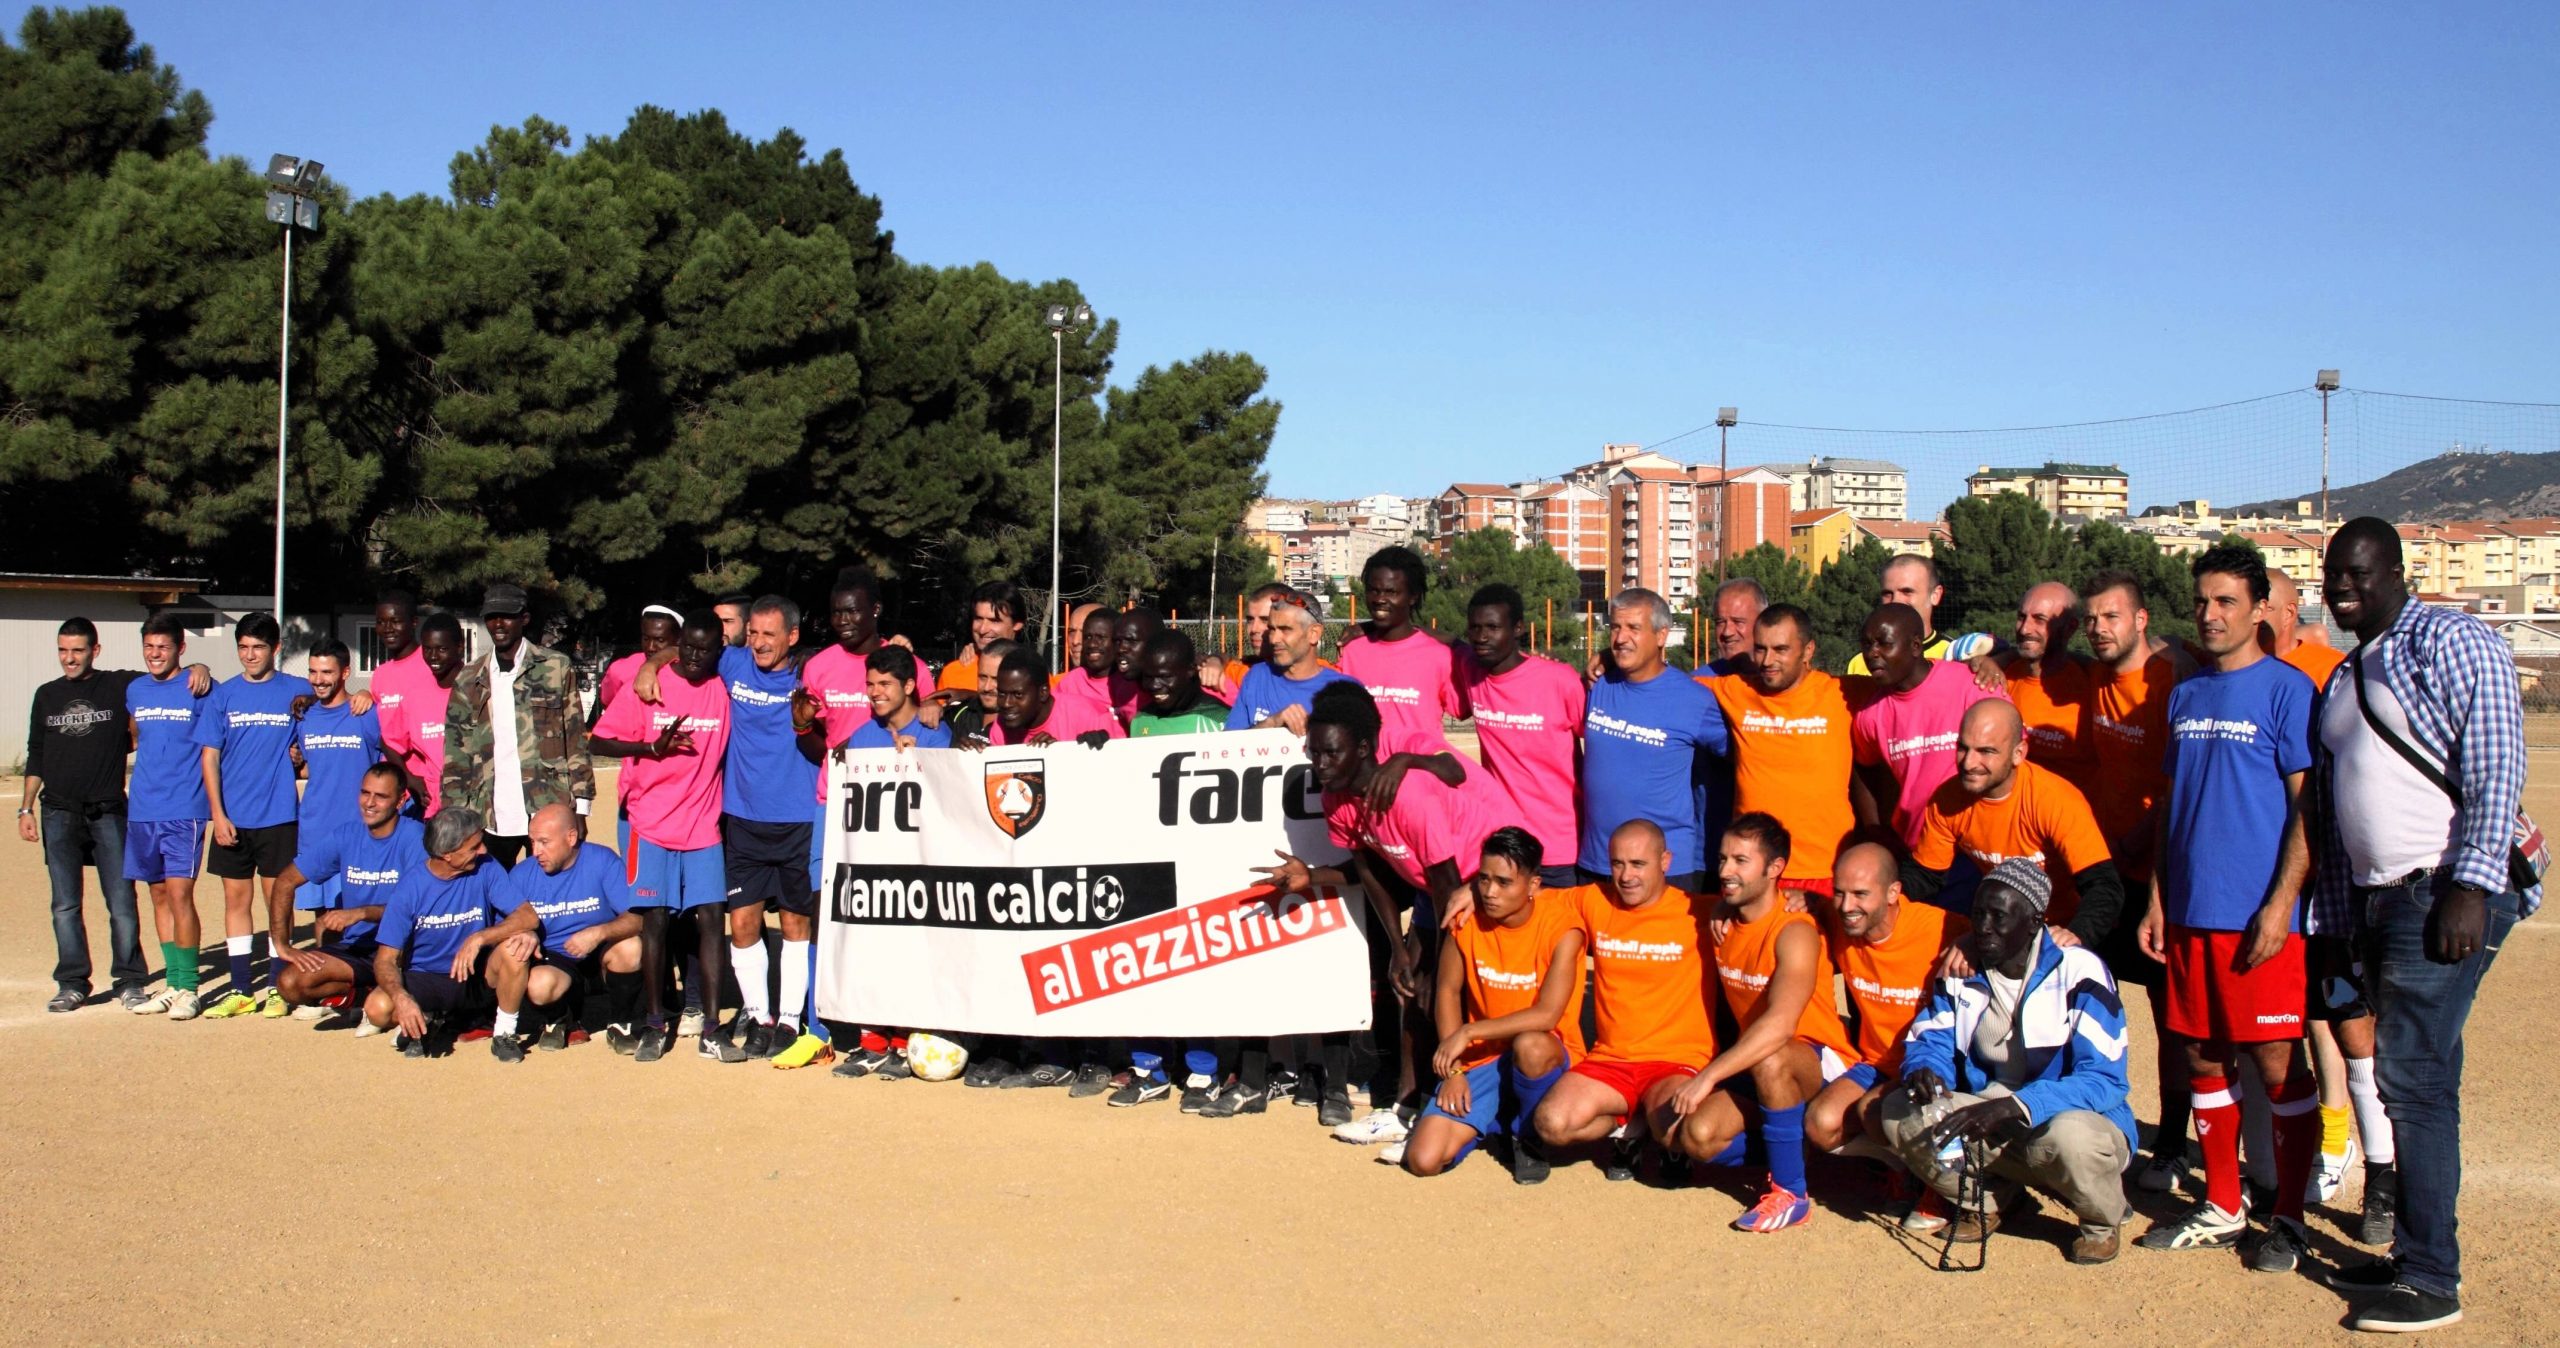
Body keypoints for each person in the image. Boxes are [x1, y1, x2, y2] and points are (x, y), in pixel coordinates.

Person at [2308, 517, 2533, 1333]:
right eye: (2334, 574)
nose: (2343, 587)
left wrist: (2470, 885)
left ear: (2398, 571)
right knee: (2415, 1076)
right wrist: (2332, 922)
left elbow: (2497, 757)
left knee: (2415, 1080)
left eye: (2360, 573)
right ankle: (2415, 1255)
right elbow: (2329, 814)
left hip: (2438, 890)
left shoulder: (2450, 639)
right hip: (2374, 901)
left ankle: (2433, 1278)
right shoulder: (2342, 675)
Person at [2134, 546, 2321, 1273]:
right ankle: (2221, 1203)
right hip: (2189, 914)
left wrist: (2281, 904)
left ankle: (2291, 1216)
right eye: (2203, 602)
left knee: (2276, 1062)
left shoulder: (2286, 691)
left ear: (2256, 611)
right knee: (2202, 1055)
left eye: (2226, 603)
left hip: (2256, 918)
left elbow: (2309, 808)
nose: (2210, 616)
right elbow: (2173, 804)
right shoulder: (2187, 694)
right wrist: (2157, 898)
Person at [1254, 682, 1509, 1135]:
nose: (1319, 764)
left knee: (1445, 992)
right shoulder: (1336, 797)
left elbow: (1448, 890)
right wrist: (1397, 947)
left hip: (1484, 886)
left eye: (1330, 754)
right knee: (1410, 990)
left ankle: (1462, 1107)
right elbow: (1370, 870)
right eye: (1314, 754)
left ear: (1365, 748)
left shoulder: (1410, 796)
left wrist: (1426, 956)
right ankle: (1406, 1110)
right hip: (1439, 890)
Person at [1881, 857, 2136, 1265]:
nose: (1983, 927)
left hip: (2070, 1118)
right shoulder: (1960, 969)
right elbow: (1931, 1038)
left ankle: (2101, 1221)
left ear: (2035, 921)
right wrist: (1926, 1071)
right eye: (1978, 914)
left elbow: (2104, 1081)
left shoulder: (2081, 972)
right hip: (1993, 1111)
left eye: (1998, 917)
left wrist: (2015, 1106)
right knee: (1900, 1111)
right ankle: (1991, 1202)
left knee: (2070, 1139)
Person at [1667, 813, 1858, 1233]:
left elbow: (1781, 1025)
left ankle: (1791, 1193)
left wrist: (1707, 1077)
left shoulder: (1795, 931)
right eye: (1721, 859)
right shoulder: (1721, 918)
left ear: (1775, 869)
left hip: (1818, 1062)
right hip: (1759, 1064)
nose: (1725, 871)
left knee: (1772, 1058)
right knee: (1697, 1136)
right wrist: (1720, 905)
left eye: (1740, 861)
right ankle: (1793, 1144)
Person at [2258, 570, 2381, 1213]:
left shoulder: (2328, 666)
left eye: (2265, 606)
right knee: (2300, 1017)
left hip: (2329, 872)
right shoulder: (2234, 671)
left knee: (2338, 1017)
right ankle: (2315, 1145)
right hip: (2271, 873)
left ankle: (2344, 1147)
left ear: (2287, 611)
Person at [2078, 567, 2189, 1192]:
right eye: (2092, 618)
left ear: (2142, 620)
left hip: (2158, 877)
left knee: (2173, 1016)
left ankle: (2173, 1142)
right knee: (2089, 1002)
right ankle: (2093, 1118)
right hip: (2105, 875)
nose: (2099, 629)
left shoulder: (2173, 681)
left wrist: (2136, 850)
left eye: (2111, 617)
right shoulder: (2093, 677)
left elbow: (2174, 789)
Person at [1529, 821, 1718, 1180]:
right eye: (1617, 863)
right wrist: (1471, 891)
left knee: (1678, 1131)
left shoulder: (1700, 912)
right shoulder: (1594, 900)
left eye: (1638, 864)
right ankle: (1630, 1128)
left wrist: (1802, 900)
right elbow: (1528, 894)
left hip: (1677, 1061)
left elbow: (1761, 911)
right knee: (1552, 1124)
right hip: (1612, 1060)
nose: (1626, 876)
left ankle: (1654, 1127)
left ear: (1665, 861)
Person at [591, 613, 740, 1064]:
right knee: (654, 923)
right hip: (650, 825)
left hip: (702, 826)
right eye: (687, 648)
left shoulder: (723, 686)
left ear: (719, 652)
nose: (694, 657)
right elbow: (599, 741)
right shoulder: (649, 688)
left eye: (704, 650)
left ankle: (711, 1029)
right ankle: (655, 1024)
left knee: (713, 922)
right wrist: (648, 748)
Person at [1404, 827, 1586, 1184]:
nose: (1489, 892)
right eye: (1483, 879)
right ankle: (1498, 1117)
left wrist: (1468, 1032)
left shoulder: (1563, 927)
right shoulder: (1465, 920)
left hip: (1546, 1055)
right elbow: (1446, 991)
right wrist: (1454, 1069)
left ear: (1534, 885)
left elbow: (1546, 1015)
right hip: (1482, 1058)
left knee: (1530, 1044)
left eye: (1504, 882)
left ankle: (1526, 1135)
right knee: (1423, 1160)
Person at [22, 618, 167, 1012]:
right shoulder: (47, 695)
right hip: (58, 811)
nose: (70, 658)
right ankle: (72, 981)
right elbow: (36, 752)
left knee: (121, 900)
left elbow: (165, 672)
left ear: (95, 651)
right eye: (63, 651)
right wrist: (25, 807)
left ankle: (130, 979)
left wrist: (199, 669)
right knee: (64, 903)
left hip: (108, 812)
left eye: (78, 650)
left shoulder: (118, 686)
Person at [820, 644, 950, 1082]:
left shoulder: (936, 734)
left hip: (922, 869)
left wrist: (922, 761)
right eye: (870, 684)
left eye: (884, 684)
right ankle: (873, 1041)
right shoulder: (861, 738)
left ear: (910, 685)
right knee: (872, 950)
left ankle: (904, 1040)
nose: (874, 693)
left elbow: (951, 800)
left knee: (913, 952)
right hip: (874, 870)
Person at [1902, 700, 2125, 950]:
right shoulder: (1948, 800)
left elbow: (2104, 887)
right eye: (1963, 748)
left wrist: (2076, 935)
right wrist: (1883, 893)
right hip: (2000, 931)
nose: (1968, 763)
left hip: (2061, 930)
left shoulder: (2055, 799)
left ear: (2019, 753)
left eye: (1986, 751)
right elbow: (1926, 876)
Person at [1806, 840, 1963, 1192]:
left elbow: (2003, 938)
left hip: (1932, 1067)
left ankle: (1941, 1187)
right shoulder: (1839, 920)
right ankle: (1901, 1166)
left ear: (1894, 892)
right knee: (1821, 1123)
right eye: (1839, 893)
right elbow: (1806, 904)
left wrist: (1970, 943)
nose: (1847, 907)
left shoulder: (1942, 929)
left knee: (1872, 1112)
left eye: (1860, 894)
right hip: (1876, 1061)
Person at [1123, 629, 1234, 1108]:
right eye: (1149, 679)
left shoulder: (1224, 720)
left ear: (1192, 672)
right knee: (1145, 965)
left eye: (1167, 677)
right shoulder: (1140, 721)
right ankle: (1148, 1067)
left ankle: (1202, 1070)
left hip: (1206, 869)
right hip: (1151, 869)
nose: (1157, 687)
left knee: (1198, 970)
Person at [1702, 603, 1870, 899]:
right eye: (1760, 649)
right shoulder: (1738, 690)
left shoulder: (1843, 693)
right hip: (1755, 871)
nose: (1767, 660)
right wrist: (1611, 659)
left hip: (1825, 869)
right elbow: (1663, 682)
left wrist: (1982, 661)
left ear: (1807, 651)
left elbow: (1915, 683)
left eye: (1780, 649)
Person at [193, 613, 314, 1018]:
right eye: (243, 647)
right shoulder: (223, 696)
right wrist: (218, 814)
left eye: (258, 647)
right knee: (235, 901)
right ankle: (241, 988)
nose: (250, 655)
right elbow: (209, 758)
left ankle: (277, 987)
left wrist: (299, 756)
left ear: (275, 649)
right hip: (233, 819)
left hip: (279, 816)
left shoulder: (297, 692)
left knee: (277, 902)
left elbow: (318, 729)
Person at [1579, 588, 1729, 893]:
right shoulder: (1597, 684)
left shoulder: (1694, 699)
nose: (1621, 638)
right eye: (1616, 627)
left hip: (1664, 869)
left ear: (1661, 636)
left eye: (1634, 628)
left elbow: (1742, 758)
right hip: (1598, 861)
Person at [476, 803, 649, 1061]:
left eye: (544, 842)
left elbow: (636, 919)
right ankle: (558, 1019)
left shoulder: (602, 860)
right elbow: (505, 926)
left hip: (600, 952)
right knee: (539, 986)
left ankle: (620, 1022)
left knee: (632, 947)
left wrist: (598, 933)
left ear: (571, 837)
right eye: (532, 842)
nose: (536, 851)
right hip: (555, 958)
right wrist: (525, 933)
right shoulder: (522, 874)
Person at [441, 584, 593, 867]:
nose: (498, 624)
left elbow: (575, 739)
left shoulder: (556, 667)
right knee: (496, 897)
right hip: (489, 811)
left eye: (507, 616)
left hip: (548, 804)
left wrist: (580, 808)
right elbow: (456, 752)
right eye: (491, 616)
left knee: (551, 894)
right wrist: (455, 814)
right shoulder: (470, 678)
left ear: (524, 618)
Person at [266, 763, 425, 1029]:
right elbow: (285, 881)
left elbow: (417, 908)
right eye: (365, 793)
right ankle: (362, 997)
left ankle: (383, 998)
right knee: (290, 984)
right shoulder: (346, 834)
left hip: (402, 949)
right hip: (358, 948)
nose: (369, 803)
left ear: (400, 801)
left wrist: (361, 913)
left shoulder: (415, 837)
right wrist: (281, 945)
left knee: (387, 1002)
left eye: (381, 796)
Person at [1454, 583, 1585, 886]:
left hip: (1560, 849)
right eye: (1474, 628)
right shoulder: (1472, 671)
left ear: (1518, 629)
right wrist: (1365, 628)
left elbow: (1599, 745)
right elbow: (1441, 641)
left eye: (1492, 627)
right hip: (1503, 845)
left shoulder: (1559, 680)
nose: (1481, 636)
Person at [281, 638, 385, 1010]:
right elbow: (305, 763)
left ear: (344, 673)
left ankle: (372, 987)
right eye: (312, 671)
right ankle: (330, 988)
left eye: (327, 672)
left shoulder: (364, 713)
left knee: (362, 912)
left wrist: (367, 694)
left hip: (358, 831)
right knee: (323, 915)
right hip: (315, 828)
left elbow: (386, 761)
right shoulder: (304, 715)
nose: (318, 679)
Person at [1853, 603, 2007, 850]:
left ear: (1916, 646)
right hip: (1917, 851)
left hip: (1981, 850)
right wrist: (1876, 831)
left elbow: (2012, 759)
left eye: (1884, 643)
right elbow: (1864, 768)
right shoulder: (1870, 714)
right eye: (1866, 644)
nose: (1872, 653)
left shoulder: (1974, 685)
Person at [365, 806, 516, 1058]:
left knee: (517, 947)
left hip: (477, 976)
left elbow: (526, 916)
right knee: (377, 1009)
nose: (484, 850)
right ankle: (429, 1018)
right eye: (474, 847)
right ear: (447, 854)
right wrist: (402, 998)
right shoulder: (409, 889)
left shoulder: (486, 867)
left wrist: (480, 937)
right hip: (426, 978)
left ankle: (503, 1031)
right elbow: (385, 959)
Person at [124, 613, 214, 1017]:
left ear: (181, 648)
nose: (155, 654)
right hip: (143, 808)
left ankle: (190, 988)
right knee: (156, 894)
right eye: (149, 646)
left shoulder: (198, 686)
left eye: (163, 646)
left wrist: (203, 667)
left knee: (180, 895)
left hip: (184, 810)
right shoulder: (135, 690)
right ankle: (173, 983)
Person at [1337, 546, 1461, 745]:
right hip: (1365, 774)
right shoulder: (1351, 651)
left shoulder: (1439, 655)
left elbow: (1463, 709)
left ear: (1413, 596)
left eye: (1391, 592)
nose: (1379, 599)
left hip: (1419, 773)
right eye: (1373, 591)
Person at [2003, 580, 2095, 789]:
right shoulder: (1999, 678)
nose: (2025, 628)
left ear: (2070, 628)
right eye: (2021, 617)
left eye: (2039, 619)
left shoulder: (2090, 687)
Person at [1845, 556, 1995, 676]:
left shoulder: (1954, 655)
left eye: (1907, 592)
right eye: (1887, 594)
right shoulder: (1860, 663)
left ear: (1935, 595)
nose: (1896, 600)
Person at [1227, 589, 1353, 732]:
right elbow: (1229, 747)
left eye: (1285, 629)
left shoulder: (1345, 691)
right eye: (1272, 629)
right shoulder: (1256, 677)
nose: (1274, 639)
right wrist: (1270, 724)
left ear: (1314, 634)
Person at [381, 613, 464, 818]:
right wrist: (410, 779)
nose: (433, 657)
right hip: (436, 809)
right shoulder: (415, 695)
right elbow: (389, 742)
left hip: (478, 805)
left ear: (460, 648)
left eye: (442, 649)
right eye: (427, 649)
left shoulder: (479, 688)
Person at [985, 646, 1124, 748]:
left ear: (1043, 692)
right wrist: (972, 753)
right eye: (1002, 694)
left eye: (1018, 695)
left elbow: (1124, 764)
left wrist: (1061, 753)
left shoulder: (1091, 717)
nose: (1007, 704)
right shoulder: (1001, 726)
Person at [931, 580, 1028, 711]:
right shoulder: (953, 672)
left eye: (994, 620)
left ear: (1017, 624)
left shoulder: (1033, 674)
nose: (982, 629)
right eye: (978, 619)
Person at [594, 606, 681, 720]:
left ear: (679, 639)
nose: (650, 647)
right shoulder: (620, 669)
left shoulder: (689, 670)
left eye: (660, 640)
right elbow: (609, 703)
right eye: (646, 638)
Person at [1054, 606, 1126, 723]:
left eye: (1101, 637)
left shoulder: (1131, 683)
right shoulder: (1069, 684)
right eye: (1087, 637)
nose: (1092, 644)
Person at [1107, 607, 1163, 726]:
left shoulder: (1194, 687)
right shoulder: (1121, 691)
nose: (1121, 648)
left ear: (1156, 642)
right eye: (1117, 641)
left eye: (1131, 640)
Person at [1703, 576, 1768, 677]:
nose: (1727, 632)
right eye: (1720, 622)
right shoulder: (1698, 684)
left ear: (1762, 622)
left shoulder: (1790, 683)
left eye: (1738, 622)